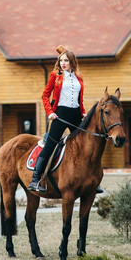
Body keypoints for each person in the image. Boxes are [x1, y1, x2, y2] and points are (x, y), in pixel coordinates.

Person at [28, 45, 86, 193]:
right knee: (50, 146)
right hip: (60, 114)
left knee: (84, 146)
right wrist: (50, 112)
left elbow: (80, 99)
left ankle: (88, 180)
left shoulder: (79, 77)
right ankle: (35, 180)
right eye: (61, 61)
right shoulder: (56, 75)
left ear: (72, 61)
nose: (63, 63)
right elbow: (45, 95)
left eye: (66, 60)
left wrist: (83, 112)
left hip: (76, 115)